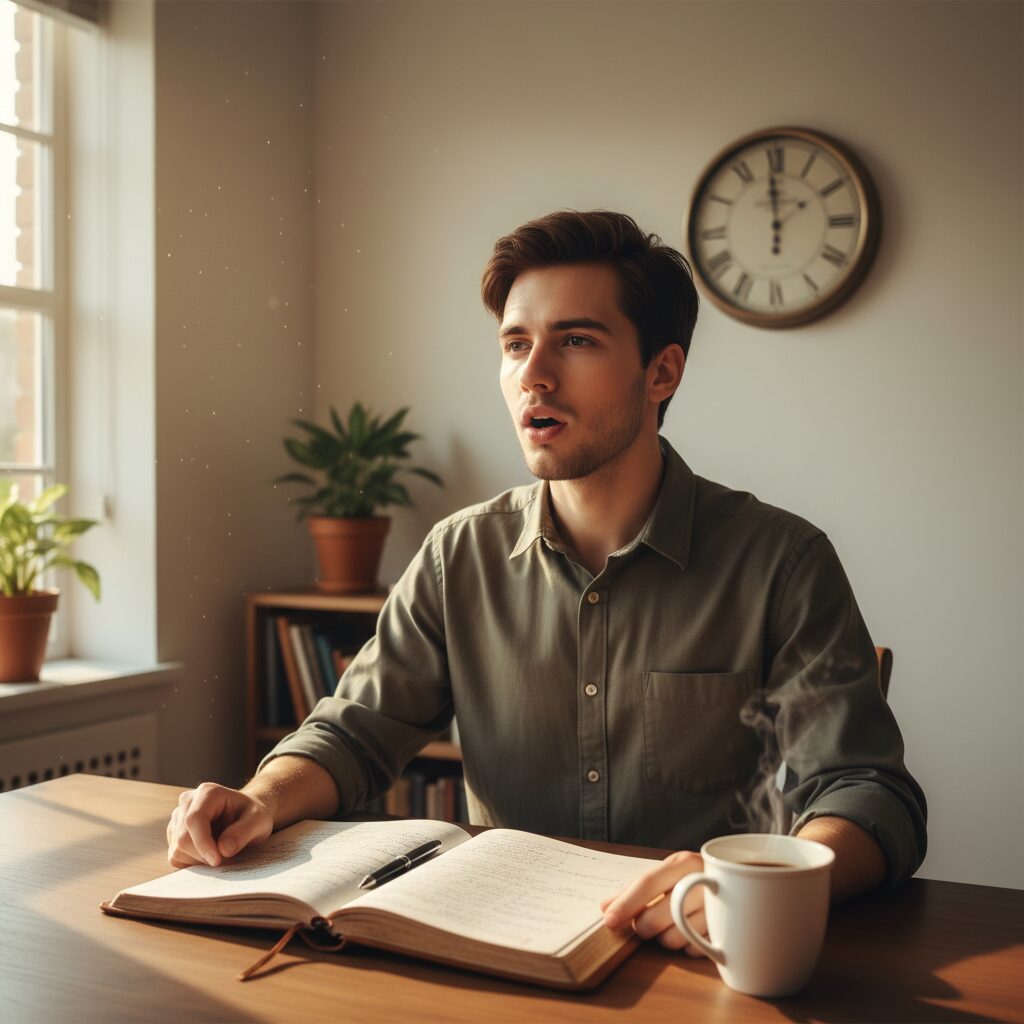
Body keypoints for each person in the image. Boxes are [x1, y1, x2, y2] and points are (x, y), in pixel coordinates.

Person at [166, 210, 927, 956]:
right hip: (499, 954)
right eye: (516, 344)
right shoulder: (457, 555)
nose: (534, 374)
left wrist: (745, 886)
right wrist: (261, 799)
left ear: (661, 371)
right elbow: (353, 734)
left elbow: (867, 792)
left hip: (693, 953)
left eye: (577, 341)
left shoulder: (782, 563)